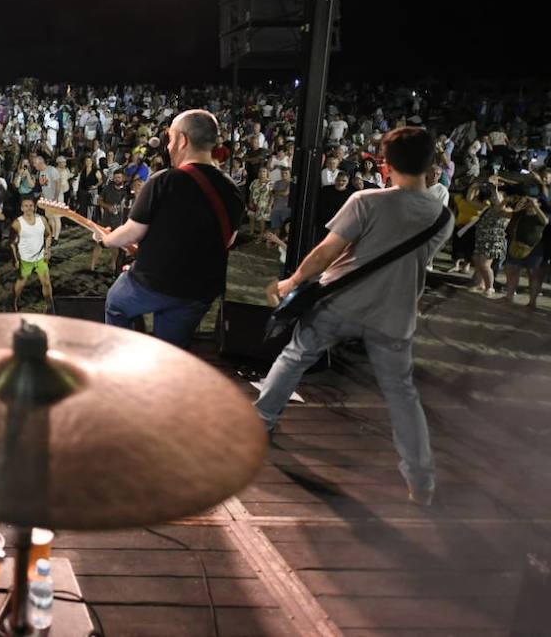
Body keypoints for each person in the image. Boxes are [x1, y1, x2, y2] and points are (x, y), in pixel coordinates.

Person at [254, 127, 453, 506]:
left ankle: (260, 424)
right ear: (432, 166)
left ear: (386, 163)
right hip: (394, 316)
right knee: (402, 395)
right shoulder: (442, 218)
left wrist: (292, 281)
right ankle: (421, 480)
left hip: (339, 303)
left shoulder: (366, 201)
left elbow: (327, 252)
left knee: (295, 357)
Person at [91, 110, 244, 348]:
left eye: (171, 139)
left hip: (154, 283)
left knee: (117, 303)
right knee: (170, 350)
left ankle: (123, 360)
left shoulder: (165, 181)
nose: (169, 146)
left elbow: (132, 232)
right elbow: (229, 239)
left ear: (183, 140)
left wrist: (106, 240)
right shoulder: (232, 189)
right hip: (199, 291)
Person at [10, 197, 54, 312]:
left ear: (34, 207)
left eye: (31, 206)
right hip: (25, 261)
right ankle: (13, 302)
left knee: (46, 283)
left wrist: (47, 249)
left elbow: (48, 235)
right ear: (21, 208)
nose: (28, 208)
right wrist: (15, 259)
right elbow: (11, 244)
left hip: (40, 259)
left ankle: (49, 305)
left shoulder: (42, 220)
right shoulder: (17, 223)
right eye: (26, 206)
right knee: (20, 284)